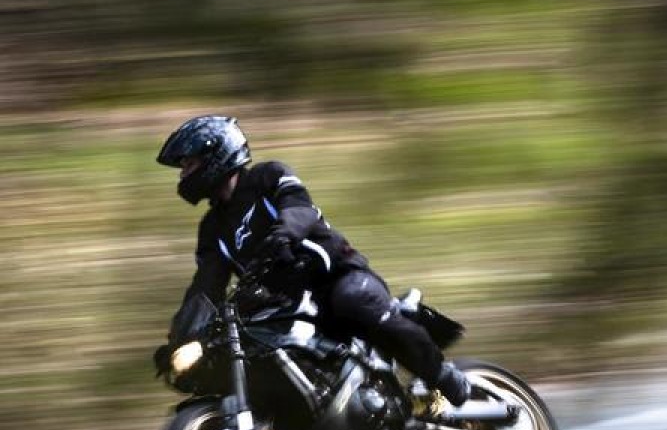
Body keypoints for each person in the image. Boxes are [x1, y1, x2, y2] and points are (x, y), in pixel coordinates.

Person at [154, 115, 470, 407]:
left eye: (189, 164)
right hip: (284, 303)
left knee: (353, 299)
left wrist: (284, 233)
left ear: (216, 154)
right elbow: (206, 286)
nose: (184, 174)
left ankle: (444, 377)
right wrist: (181, 337)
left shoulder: (268, 177)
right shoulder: (212, 228)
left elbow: (300, 209)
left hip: (335, 276)